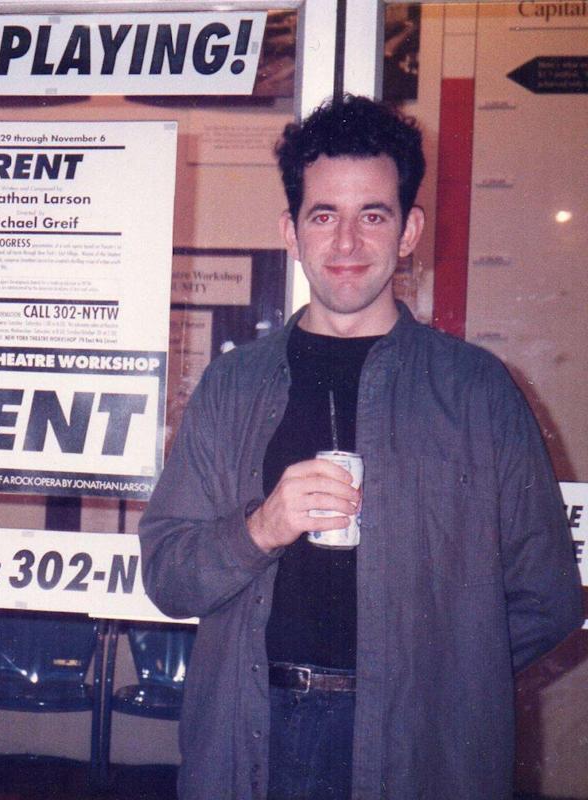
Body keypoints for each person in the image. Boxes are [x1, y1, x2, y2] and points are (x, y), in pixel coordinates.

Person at [138, 95, 582, 800]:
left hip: (420, 752)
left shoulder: (476, 392)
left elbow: (549, 597)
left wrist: (438, 681)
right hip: (254, 740)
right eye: (324, 216)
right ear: (291, 231)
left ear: (409, 230)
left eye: (372, 215)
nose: (346, 244)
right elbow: (167, 575)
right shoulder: (231, 387)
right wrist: (263, 527)